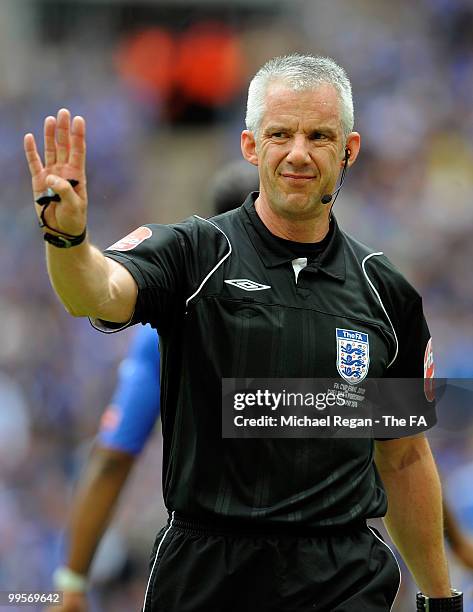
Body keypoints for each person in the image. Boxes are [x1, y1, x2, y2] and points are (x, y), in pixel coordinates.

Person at [25, 54, 459, 611]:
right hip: (208, 573)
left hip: (343, 577)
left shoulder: (387, 293)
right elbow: (98, 291)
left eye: (319, 136)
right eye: (280, 134)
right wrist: (67, 242)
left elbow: (403, 457)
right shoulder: (192, 253)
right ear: (252, 146)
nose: (298, 153)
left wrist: (441, 597)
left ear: (348, 150)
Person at [49, 162, 259, 612]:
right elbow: (399, 446)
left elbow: (113, 457)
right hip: (328, 561)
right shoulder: (336, 305)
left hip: (213, 562)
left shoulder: (166, 332)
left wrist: (71, 583)